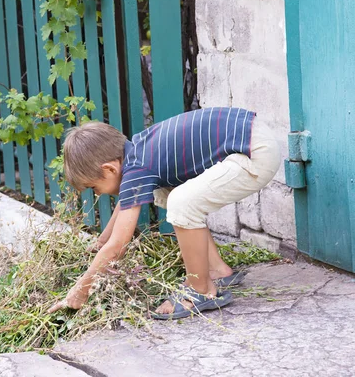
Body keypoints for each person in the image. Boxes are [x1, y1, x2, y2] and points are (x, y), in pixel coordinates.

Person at [47, 107, 280, 319]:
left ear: (109, 168)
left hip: (254, 152)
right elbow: (125, 206)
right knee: (167, 193)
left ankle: (199, 289)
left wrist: (79, 292)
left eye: (93, 187)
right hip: (251, 138)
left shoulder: (137, 168)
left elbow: (117, 246)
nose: (97, 194)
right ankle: (216, 270)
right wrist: (101, 242)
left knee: (181, 202)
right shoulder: (137, 152)